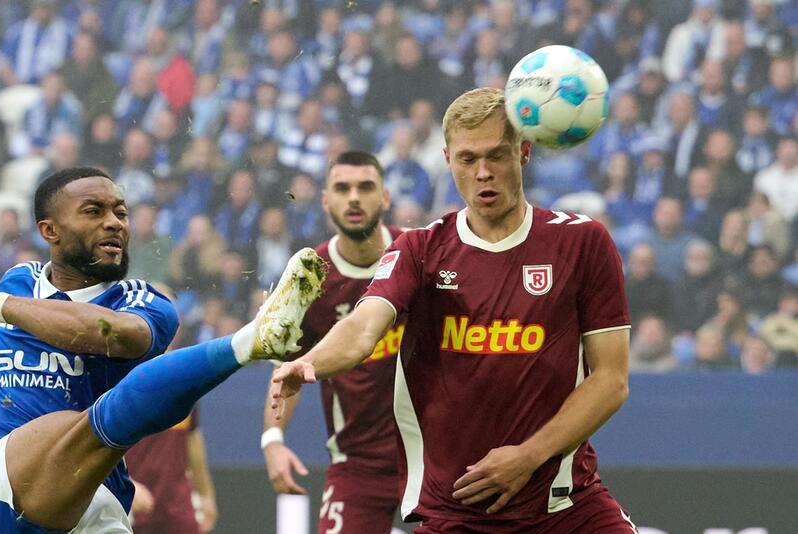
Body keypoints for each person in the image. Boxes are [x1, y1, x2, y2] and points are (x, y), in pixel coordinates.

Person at [271, 88, 637, 532]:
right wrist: (310, 361)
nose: (483, 173)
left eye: (496, 156)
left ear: (523, 152)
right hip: (457, 515)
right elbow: (363, 326)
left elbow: (611, 380)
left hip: (565, 507)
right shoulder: (421, 250)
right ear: (447, 160)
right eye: (467, 159)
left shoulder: (583, 243)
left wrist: (529, 456)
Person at [0, 167, 326, 533]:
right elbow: (1, 345)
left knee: (97, 417)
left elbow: (112, 335)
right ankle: (248, 342)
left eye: (121, 212)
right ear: (50, 231)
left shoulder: (145, 303)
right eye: (94, 211)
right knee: (81, 420)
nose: (114, 222)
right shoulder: (19, 281)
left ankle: (251, 340)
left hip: (96, 509)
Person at [262, 151, 404, 533]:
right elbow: (286, 369)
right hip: (357, 463)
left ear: (385, 197)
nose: (354, 197)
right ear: (326, 200)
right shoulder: (311, 278)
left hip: (435, 456)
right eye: (342, 188)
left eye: (365, 187)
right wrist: (273, 440)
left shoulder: (418, 255)